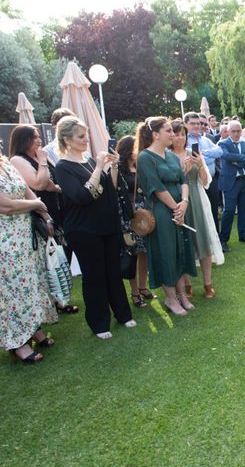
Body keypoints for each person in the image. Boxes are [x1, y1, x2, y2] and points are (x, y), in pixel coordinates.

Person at [55, 117, 136, 338]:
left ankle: (123, 314)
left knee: (112, 271)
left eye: (86, 135)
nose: (85, 140)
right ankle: (100, 323)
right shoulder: (63, 167)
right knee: (94, 275)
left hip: (106, 225)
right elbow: (82, 196)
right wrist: (99, 166)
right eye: (81, 137)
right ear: (67, 139)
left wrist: (114, 166)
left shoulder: (89, 160)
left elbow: (109, 188)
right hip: (83, 229)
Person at [9, 124, 79, 315]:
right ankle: (53, 302)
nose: (39, 141)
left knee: (61, 255)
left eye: (39, 136)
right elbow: (39, 183)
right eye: (34, 137)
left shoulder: (38, 158)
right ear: (23, 140)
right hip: (39, 216)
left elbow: (51, 183)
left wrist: (51, 183)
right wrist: (43, 163)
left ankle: (60, 299)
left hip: (58, 213)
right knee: (47, 259)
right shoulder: (18, 160)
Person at [135, 116, 197, 315]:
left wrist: (184, 203)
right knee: (166, 252)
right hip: (161, 211)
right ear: (155, 134)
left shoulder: (170, 155)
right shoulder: (145, 157)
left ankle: (182, 295)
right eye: (169, 131)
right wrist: (175, 208)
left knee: (180, 249)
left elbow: (183, 179)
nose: (173, 134)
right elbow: (156, 187)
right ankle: (170, 299)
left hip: (179, 206)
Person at [0, 153, 57, 363]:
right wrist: (36, 205)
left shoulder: (7, 165)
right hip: (5, 242)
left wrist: (45, 214)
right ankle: (17, 343)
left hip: (25, 237)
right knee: (12, 290)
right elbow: (5, 205)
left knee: (31, 284)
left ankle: (33, 329)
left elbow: (28, 191)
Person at [170, 120, 224, 299]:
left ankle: (208, 284)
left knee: (202, 240)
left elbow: (205, 181)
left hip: (198, 200)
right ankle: (187, 284)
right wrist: (183, 171)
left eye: (183, 134)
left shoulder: (192, 153)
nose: (180, 138)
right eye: (176, 134)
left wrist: (200, 164)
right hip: (176, 200)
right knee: (183, 243)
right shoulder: (166, 156)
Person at [115, 135, 154, 308]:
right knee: (133, 253)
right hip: (128, 215)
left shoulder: (140, 166)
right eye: (134, 148)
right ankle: (134, 291)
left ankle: (143, 286)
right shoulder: (119, 170)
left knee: (144, 251)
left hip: (143, 214)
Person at [218, 120, 245, 252]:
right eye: (233, 131)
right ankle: (223, 240)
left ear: (241, 131)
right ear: (228, 131)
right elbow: (226, 156)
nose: (236, 133)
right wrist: (243, 159)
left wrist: (238, 161)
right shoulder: (223, 143)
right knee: (229, 211)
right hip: (231, 182)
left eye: (238, 131)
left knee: (244, 210)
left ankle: (243, 235)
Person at [184, 112, 223, 234]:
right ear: (185, 124)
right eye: (192, 123)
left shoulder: (206, 139)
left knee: (213, 212)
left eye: (198, 123)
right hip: (195, 184)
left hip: (211, 181)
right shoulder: (183, 142)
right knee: (200, 214)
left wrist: (203, 154)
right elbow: (193, 161)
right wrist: (207, 158)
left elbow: (219, 151)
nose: (196, 126)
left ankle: (216, 240)